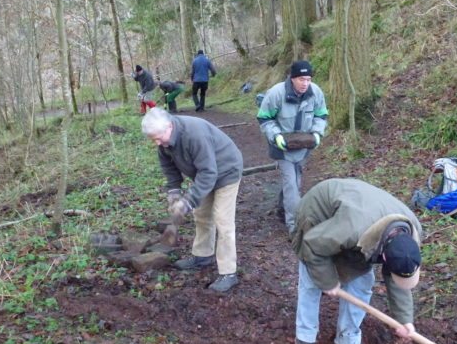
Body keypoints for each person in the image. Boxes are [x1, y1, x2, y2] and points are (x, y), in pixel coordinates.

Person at [289, 178, 423, 344]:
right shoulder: (352, 228)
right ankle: (305, 338)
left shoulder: (412, 232)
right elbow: (312, 245)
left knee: (362, 282)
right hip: (318, 215)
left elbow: (398, 272)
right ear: (383, 256)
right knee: (312, 281)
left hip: (356, 223)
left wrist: (404, 319)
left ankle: (347, 341)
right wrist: (327, 281)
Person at [141, 108, 243, 293]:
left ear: (169, 126)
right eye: (153, 139)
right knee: (202, 215)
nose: (157, 142)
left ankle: (229, 273)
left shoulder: (193, 135)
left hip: (226, 171)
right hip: (204, 173)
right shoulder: (164, 142)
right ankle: (203, 256)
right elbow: (170, 169)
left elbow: (209, 172)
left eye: (158, 137)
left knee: (223, 220)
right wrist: (174, 193)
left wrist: (188, 200)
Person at [257, 60, 328, 234]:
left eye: (308, 79)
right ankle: (294, 226)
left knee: (294, 180)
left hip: (304, 147)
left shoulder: (316, 92)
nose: (305, 83)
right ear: (292, 78)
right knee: (292, 183)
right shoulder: (276, 93)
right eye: (302, 79)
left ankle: (282, 207)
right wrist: (276, 136)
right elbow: (264, 118)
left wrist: (318, 133)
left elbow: (321, 115)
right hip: (282, 147)